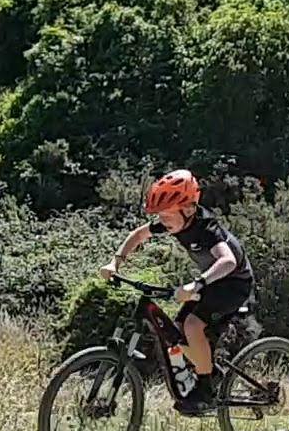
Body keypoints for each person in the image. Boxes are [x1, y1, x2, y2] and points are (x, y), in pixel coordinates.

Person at [100, 169, 254, 416]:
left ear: (189, 209)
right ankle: (209, 370)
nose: (163, 221)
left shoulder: (206, 227)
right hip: (211, 281)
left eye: (168, 215)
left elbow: (228, 261)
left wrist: (197, 285)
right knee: (177, 331)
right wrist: (115, 262)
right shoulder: (173, 222)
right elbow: (138, 235)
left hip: (234, 283)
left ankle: (205, 390)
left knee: (192, 326)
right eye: (160, 215)